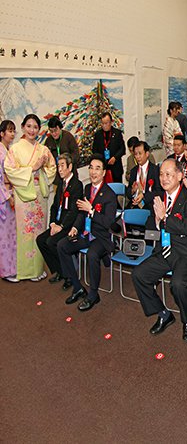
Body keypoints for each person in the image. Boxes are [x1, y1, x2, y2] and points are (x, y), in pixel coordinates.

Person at [132, 158, 187, 341]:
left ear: (179, 176)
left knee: (177, 285)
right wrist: (157, 222)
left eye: (169, 174)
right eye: (161, 174)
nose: (164, 178)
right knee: (139, 275)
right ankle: (163, 314)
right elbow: (150, 227)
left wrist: (165, 218)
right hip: (164, 249)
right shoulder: (158, 198)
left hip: (184, 253)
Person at [57, 155, 117, 311]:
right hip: (86, 232)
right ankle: (77, 287)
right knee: (62, 245)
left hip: (101, 236)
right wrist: (75, 227)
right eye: (91, 168)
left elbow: (108, 223)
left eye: (97, 168)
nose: (93, 172)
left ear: (104, 172)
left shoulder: (110, 194)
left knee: (92, 254)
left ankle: (93, 295)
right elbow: (81, 213)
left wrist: (91, 211)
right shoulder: (87, 188)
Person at [5, 114, 57, 281]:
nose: (32, 130)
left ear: (39, 129)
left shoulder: (44, 150)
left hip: (39, 195)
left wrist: (41, 170)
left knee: (39, 232)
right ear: (23, 127)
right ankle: (25, 270)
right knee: (25, 233)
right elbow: (10, 170)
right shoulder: (15, 149)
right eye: (28, 126)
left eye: (35, 127)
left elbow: (52, 169)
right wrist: (32, 168)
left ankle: (38, 269)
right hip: (23, 195)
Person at [36, 154, 84, 286]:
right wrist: (52, 224)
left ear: (70, 167)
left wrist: (61, 226)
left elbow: (74, 211)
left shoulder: (77, 185)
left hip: (69, 226)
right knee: (40, 240)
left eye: (62, 165)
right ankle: (60, 271)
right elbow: (54, 206)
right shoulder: (61, 184)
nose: (60, 169)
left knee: (51, 242)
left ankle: (69, 275)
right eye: (58, 166)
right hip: (58, 224)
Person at [0, 121, 18, 281]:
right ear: (2, 133)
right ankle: (7, 271)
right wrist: (8, 196)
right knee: (5, 236)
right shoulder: (0, 152)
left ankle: (12, 267)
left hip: (10, 192)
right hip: (3, 196)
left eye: (13, 131)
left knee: (12, 233)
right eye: (9, 131)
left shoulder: (7, 150)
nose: (12, 134)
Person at [92, 112, 126, 183]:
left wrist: (115, 157)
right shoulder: (98, 135)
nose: (104, 125)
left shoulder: (117, 133)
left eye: (106, 123)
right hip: (102, 168)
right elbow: (94, 150)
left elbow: (122, 149)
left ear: (111, 122)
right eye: (102, 123)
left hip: (115, 168)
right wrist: (101, 160)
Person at [127, 141, 161, 210]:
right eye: (135, 154)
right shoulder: (133, 171)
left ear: (147, 154)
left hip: (150, 205)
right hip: (135, 205)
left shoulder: (155, 170)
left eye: (140, 153)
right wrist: (132, 191)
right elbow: (128, 192)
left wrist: (144, 196)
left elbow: (159, 192)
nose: (137, 157)